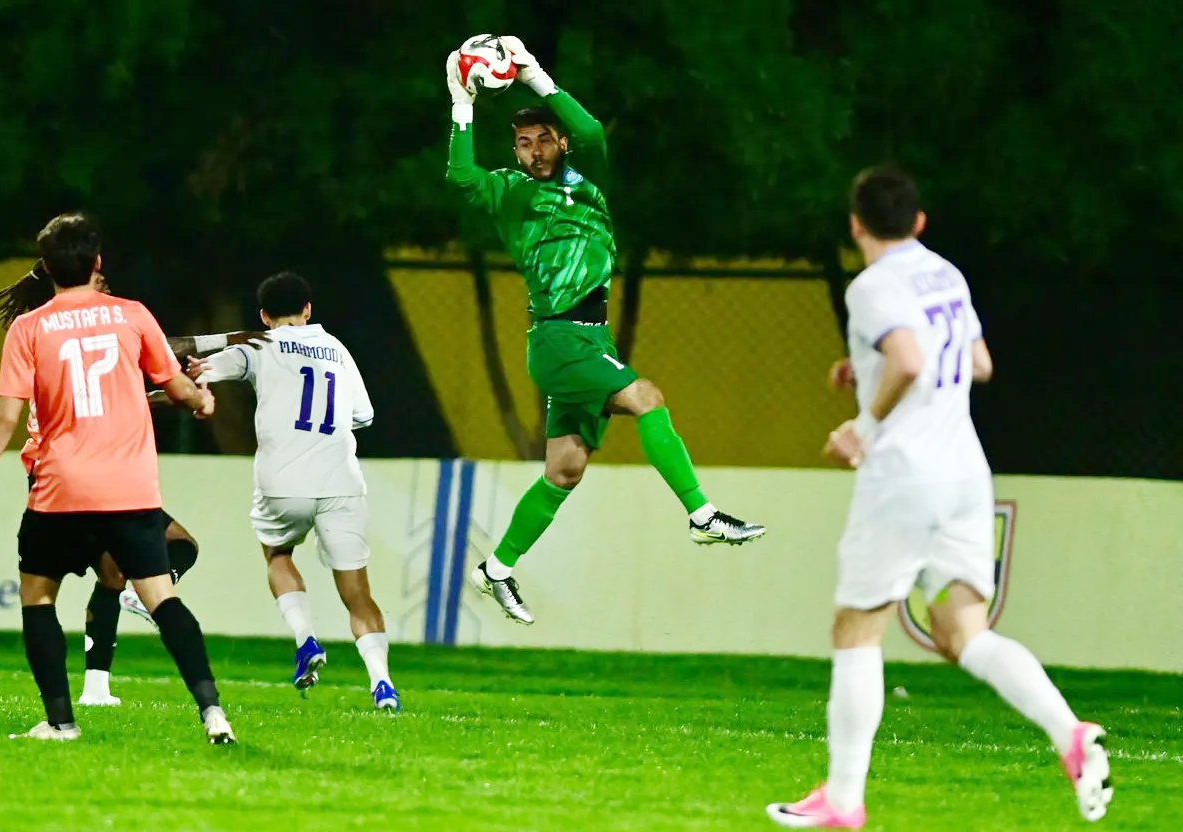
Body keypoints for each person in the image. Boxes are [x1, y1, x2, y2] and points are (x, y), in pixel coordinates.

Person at [765, 168, 1111, 829]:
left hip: (904, 477)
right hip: (964, 474)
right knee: (965, 634)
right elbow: (977, 363)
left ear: (855, 225)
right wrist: (864, 369)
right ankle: (1069, 733)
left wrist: (862, 426)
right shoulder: (945, 273)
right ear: (919, 221)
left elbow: (909, 360)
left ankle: (843, 800)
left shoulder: (873, 286)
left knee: (856, 629)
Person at [443, 36, 766, 626]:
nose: (534, 150)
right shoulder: (509, 192)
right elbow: (461, 173)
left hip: (592, 337)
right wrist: (461, 102)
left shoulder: (586, 176)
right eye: (523, 142)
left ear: (560, 142)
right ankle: (702, 515)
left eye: (544, 138)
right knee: (648, 399)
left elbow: (591, 131)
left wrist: (534, 75)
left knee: (564, 470)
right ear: (514, 150)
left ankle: (496, 568)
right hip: (559, 338)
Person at [0, 213, 234, 745]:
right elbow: (178, 388)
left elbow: (4, 418)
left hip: (60, 490)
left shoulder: (29, 328)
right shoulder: (132, 315)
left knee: (38, 598)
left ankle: (61, 722)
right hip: (130, 490)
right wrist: (202, 400)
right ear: (97, 262)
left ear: (46, 267)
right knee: (163, 600)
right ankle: (212, 712)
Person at [0, 264, 264, 707]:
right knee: (86, 581)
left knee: (138, 563)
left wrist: (170, 394)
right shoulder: (63, 333)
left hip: (87, 474)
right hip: (62, 476)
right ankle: (88, 691)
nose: (106, 287)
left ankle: (94, 689)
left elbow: (125, 389)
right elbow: (165, 349)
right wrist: (228, 340)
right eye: (100, 280)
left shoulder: (52, 333)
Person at [191, 272, 399, 710]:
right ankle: (383, 685)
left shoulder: (259, 345)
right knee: (357, 592)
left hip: (283, 482)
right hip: (340, 482)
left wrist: (196, 369)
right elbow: (364, 415)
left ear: (264, 316)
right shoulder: (337, 348)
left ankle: (305, 639)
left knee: (278, 555)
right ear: (308, 309)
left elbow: (205, 369)